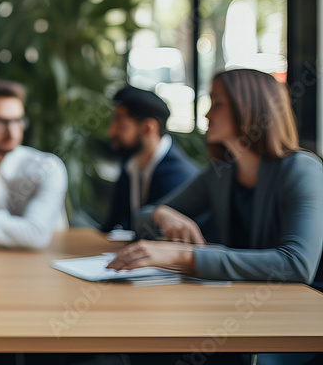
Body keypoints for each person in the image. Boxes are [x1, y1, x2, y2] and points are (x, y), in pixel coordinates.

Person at [107, 68, 323, 282]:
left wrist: (184, 255)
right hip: (234, 300)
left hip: (295, 306)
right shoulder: (222, 172)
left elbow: (297, 264)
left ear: (249, 108)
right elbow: (141, 220)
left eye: (217, 103)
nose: (207, 114)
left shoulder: (302, 170)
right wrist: (161, 214)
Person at [0, 80, 68, 249]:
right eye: (0, 122)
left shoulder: (47, 168)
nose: (12, 131)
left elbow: (35, 234)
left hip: (44, 268)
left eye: (18, 120)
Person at [102, 85, 199, 232]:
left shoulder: (179, 177)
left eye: (120, 125)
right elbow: (110, 225)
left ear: (148, 128)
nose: (111, 131)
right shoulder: (130, 165)